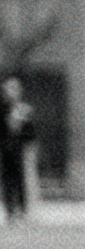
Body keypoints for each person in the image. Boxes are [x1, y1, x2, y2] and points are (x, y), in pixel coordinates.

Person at [0, 76, 35, 223]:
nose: (8, 93)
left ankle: (23, 211)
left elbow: (30, 131)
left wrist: (31, 148)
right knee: (7, 181)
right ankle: (10, 212)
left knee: (21, 181)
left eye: (12, 89)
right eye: (6, 90)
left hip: (20, 150)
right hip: (4, 150)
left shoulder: (24, 109)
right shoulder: (2, 110)